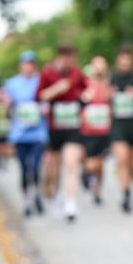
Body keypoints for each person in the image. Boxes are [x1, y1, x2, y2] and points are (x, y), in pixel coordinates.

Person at [37, 44, 87, 223]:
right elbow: (40, 96)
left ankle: (70, 203)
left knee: (71, 163)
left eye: (73, 58)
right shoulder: (48, 74)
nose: (71, 61)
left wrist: (85, 98)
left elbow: (86, 90)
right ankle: (53, 193)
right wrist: (56, 89)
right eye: (68, 58)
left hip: (73, 126)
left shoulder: (77, 73)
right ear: (60, 57)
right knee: (54, 166)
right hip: (55, 127)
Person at [3, 50, 48, 217]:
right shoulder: (12, 84)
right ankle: (26, 202)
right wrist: (7, 104)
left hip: (37, 133)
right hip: (20, 134)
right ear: (21, 65)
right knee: (23, 169)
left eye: (31, 64)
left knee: (35, 168)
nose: (28, 67)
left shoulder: (41, 82)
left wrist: (44, 109)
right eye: (25, 64)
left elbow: (46, 102)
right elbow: (7, 108)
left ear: (34, 65)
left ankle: (36, 193)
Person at [110, 46, 133, 213]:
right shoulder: (113, 78)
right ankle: (125, 193)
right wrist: (108, 94)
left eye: (127, 60)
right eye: (121, 60)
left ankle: (129, 187)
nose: (124, 63)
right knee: (121, 159)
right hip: (118, 125)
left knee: (131, 163)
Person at [80, 55, 113, 207]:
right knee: (90, 163)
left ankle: (97, 191)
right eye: (97, 65)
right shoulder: (85, 84)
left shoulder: (109, 85)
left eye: (102, 65)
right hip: (89, 131)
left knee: (101, 164)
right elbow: (79, 102)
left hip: (104, 130)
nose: (99, 69)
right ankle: (86, 173)